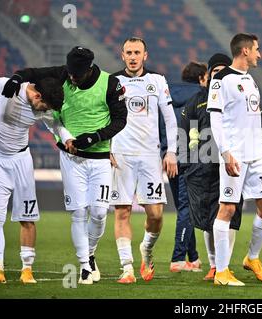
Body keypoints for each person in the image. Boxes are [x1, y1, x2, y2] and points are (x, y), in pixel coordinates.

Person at [2, 46, 128, 285]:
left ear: (89, 69)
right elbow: (30, 73)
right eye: (69, 72)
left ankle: (90, 254)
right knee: (78, 213)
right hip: (71, 158)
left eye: (76, 74)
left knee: (100, 212)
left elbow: (121, 119)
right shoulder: (62, 73)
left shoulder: (110, 84)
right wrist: (16, 78)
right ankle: (84, 266)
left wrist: (96, 137)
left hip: (99, 156)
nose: (71, 77)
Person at [181, 53, 262, 281]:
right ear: (207, 76)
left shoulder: (242, 86)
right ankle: (216, 266)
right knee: (209, 219)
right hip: (206, 167)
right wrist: (184, 161)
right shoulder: (197, 101)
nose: (220, 75)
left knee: (233, 214)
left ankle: (234, 263)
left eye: (223, 70)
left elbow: (261, 125)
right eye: (215, 71)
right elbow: (183, 132)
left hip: (238, 161)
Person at [208, 33, 262, 286]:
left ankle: (252, 258)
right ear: (244, 51)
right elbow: (215, 119)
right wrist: (225, 152)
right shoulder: (221, 80)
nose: (259, 54)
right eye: (257, 49)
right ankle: (221, 271)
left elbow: (252, 122)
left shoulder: (250, 80)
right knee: (227, 209)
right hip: (236, 156)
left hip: (256, 155)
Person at [110, 37, 178, 283]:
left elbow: (170, 119)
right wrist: (107, 147)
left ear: (145, 55)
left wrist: (171, 152)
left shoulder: (157, 81)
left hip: (150, 155)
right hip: (121, 154)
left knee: (156, 214)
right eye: (128, 52)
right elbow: (103, 118)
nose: (132, 56)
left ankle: (146, 250)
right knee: (122, 211)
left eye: (137, 52)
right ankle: (127, 268)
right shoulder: (113, 82)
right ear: (122, 55)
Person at [0, 76, 64, 284]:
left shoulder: (44, 105)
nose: (44, 110)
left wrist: (68, 138)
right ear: (37, 95)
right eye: (44, 105)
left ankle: (27, 269)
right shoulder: (3, 86)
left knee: (27, 216)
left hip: (22, 161)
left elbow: (56, 126)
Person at [167, 62, 207, 273]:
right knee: (188, 208)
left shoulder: (169, 94)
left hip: (170, 156)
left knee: (184, 207)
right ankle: (178, 258)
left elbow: (163, 124)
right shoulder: (203, 96)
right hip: (192, 156)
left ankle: (193, 257)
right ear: (202, 77)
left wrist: (167, 151)